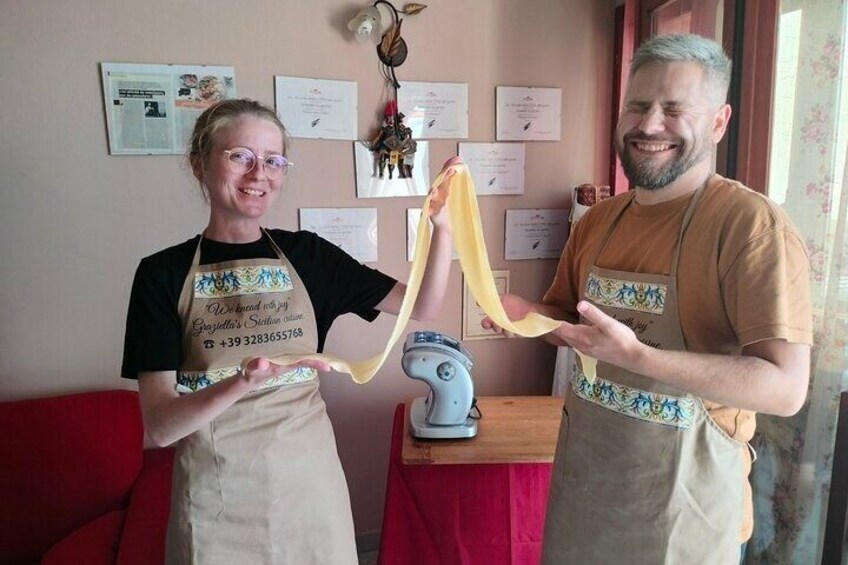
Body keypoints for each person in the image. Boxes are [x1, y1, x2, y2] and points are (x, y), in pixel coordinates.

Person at [483, 34, 812, 564]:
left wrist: (639, 357)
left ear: (719, 122)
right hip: (586, 495)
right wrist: (527, 317)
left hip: (686, 518)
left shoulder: (750, 228)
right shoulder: (598, 222)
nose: (649, 125)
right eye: (637, 106)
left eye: (673, 109)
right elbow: (568, 319)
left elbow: (785, 388)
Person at [121, 98, 456, 564]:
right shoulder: (161, 275)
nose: (260, 174)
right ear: (199, 165)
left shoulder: (311, 257)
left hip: (309, 490)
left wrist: (442, 227)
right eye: (240, 156)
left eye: (274, 161)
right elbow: (160, 427)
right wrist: (243, 381)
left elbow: (423, 304)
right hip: (217, 501)